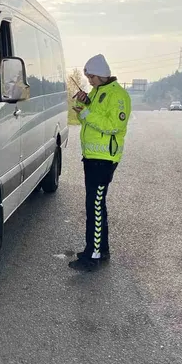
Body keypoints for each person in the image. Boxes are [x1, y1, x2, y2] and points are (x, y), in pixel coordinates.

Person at [69, 54, 131, 272]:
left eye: (92, 77)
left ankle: (92, 255)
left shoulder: (118, 96)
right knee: (97, 204)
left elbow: (114, 125)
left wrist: (87, 112)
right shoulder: (96, 92)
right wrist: (82, 104)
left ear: (102, 75)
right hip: (92, 157)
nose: (90, 81)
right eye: (88, 77)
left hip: (104, 159)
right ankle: (101, 249)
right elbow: (87, 119)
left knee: (94, 206)